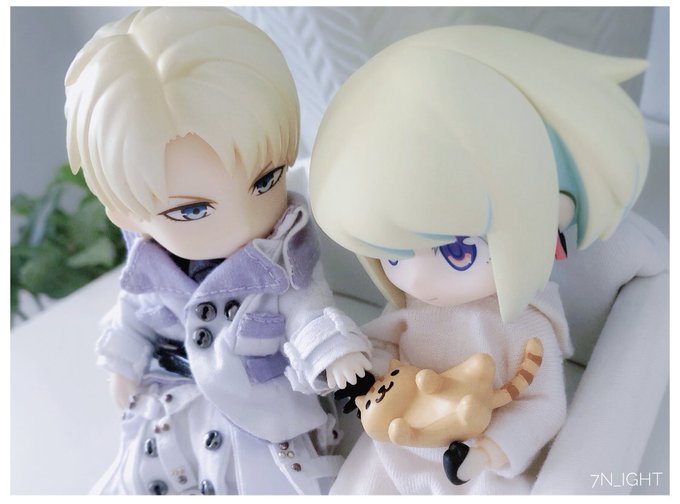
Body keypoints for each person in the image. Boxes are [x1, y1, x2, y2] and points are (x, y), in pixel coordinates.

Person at [309, 25, 648, 494]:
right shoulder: (411, 308)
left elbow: (542, 405)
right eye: (392, 256)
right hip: (392, 455)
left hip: (474, 464)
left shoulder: (523, 326)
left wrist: (488, 452)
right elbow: (381, 347)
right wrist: (359, 371)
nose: (419, 279)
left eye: (458, 252)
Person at [64, 7, 371, 495]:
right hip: (178, 414)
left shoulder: (284, 253)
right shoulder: (149, 266)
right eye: (191, 210)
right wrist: (123, 363)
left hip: (264, 423)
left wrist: (333, 352)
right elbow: (135, 315)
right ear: (125, 214)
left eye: (265, 181)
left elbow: (307, 306)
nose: (245, 221)